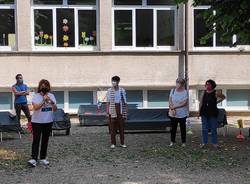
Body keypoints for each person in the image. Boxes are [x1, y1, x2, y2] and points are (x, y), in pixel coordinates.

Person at [28, 79, 57, 167]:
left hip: (48, 121)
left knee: (45, 140)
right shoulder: (36, 96)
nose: (44, 87)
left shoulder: (51, 95)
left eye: (46, 86)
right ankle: (34, 159)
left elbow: (55, 109)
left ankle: (43, 158)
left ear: (48, 87)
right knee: (36, 140)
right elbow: (35, 108)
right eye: (42, 86)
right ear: (39, 87)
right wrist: (43, 100)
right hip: (37, 122)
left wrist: (51, 102)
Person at [199, 79, 225, 148]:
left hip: (213, 112)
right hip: (204, 112)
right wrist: (199, 112)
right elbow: (201, 103)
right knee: (204, 128)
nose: (207, 86)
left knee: (213, 128)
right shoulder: (203, 92)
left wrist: (216, 102)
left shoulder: (216, 92)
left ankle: (215, 143)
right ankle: (204, 143)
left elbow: (223, 97)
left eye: (209, 84)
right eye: (206, 84)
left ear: (212, 85)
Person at [106, 76, 128, 149]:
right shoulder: (109, 90)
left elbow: (125, 102)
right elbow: (108, 102)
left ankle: (122, 143)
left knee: (121, 127)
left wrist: (126, 112)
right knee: (112, 127)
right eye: (112, 81)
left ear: (118, 82)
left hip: (120, 109)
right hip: (112, 109)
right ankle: (113, 143)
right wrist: (107, 111)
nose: (113, 82)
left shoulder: (122, 90)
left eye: (114, 81)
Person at [169, 78, 188, 147]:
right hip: (173, 113)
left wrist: (175, 107)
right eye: (177, 82)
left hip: (182, 114)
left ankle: (183, 142)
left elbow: (184, 103)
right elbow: (170, 100)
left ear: (183, 84)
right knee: (173, 128)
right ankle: (172, 141)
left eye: (179, 82)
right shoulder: (173, 90)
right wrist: (172, 109)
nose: (177, 84)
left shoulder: (185, 92)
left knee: (183, 128)